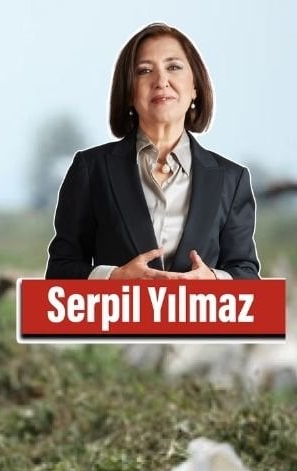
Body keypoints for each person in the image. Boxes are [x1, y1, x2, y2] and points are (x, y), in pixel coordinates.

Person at [46, 23, 259, 280]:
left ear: (195, 87)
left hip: (201, 321)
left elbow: (246, 274)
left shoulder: (231, 179)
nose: (161, 81)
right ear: (128, 92)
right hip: (116, 320)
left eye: (174, 67)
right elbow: (60, 271)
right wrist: (114, 277)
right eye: (145, 70)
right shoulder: (91, 169)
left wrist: (213, 280)